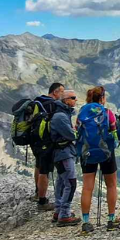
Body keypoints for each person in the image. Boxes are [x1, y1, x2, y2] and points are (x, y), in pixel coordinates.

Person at [78, 86, 119, 233]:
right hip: (106, 152)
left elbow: (78, 130)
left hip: (87, 152)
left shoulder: (82, 112)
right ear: (102, 98)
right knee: (111, 185)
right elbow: (114, 132)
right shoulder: (108, 113)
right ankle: (111, 219)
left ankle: (86, 221)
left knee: (87, 187)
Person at [32, 82, 64, 211]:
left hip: (35, 140)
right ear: (55, 92)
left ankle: (37, 192)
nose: (63, 94)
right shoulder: (53, 105)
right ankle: (42, 202)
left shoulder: (38, 101)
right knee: (45, 171)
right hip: (46, 142)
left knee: (38, 165)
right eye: (62, 91)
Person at [49, 89, 80, 226]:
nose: (75, 100)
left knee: (62, 181)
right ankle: (64, 215)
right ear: (65, 100)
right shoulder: (60, 117)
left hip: (59, 153)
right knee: (71, 182)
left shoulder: (60, 114)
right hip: (64, 153)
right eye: (73, 98)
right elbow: (71, 135)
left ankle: (58, 210)